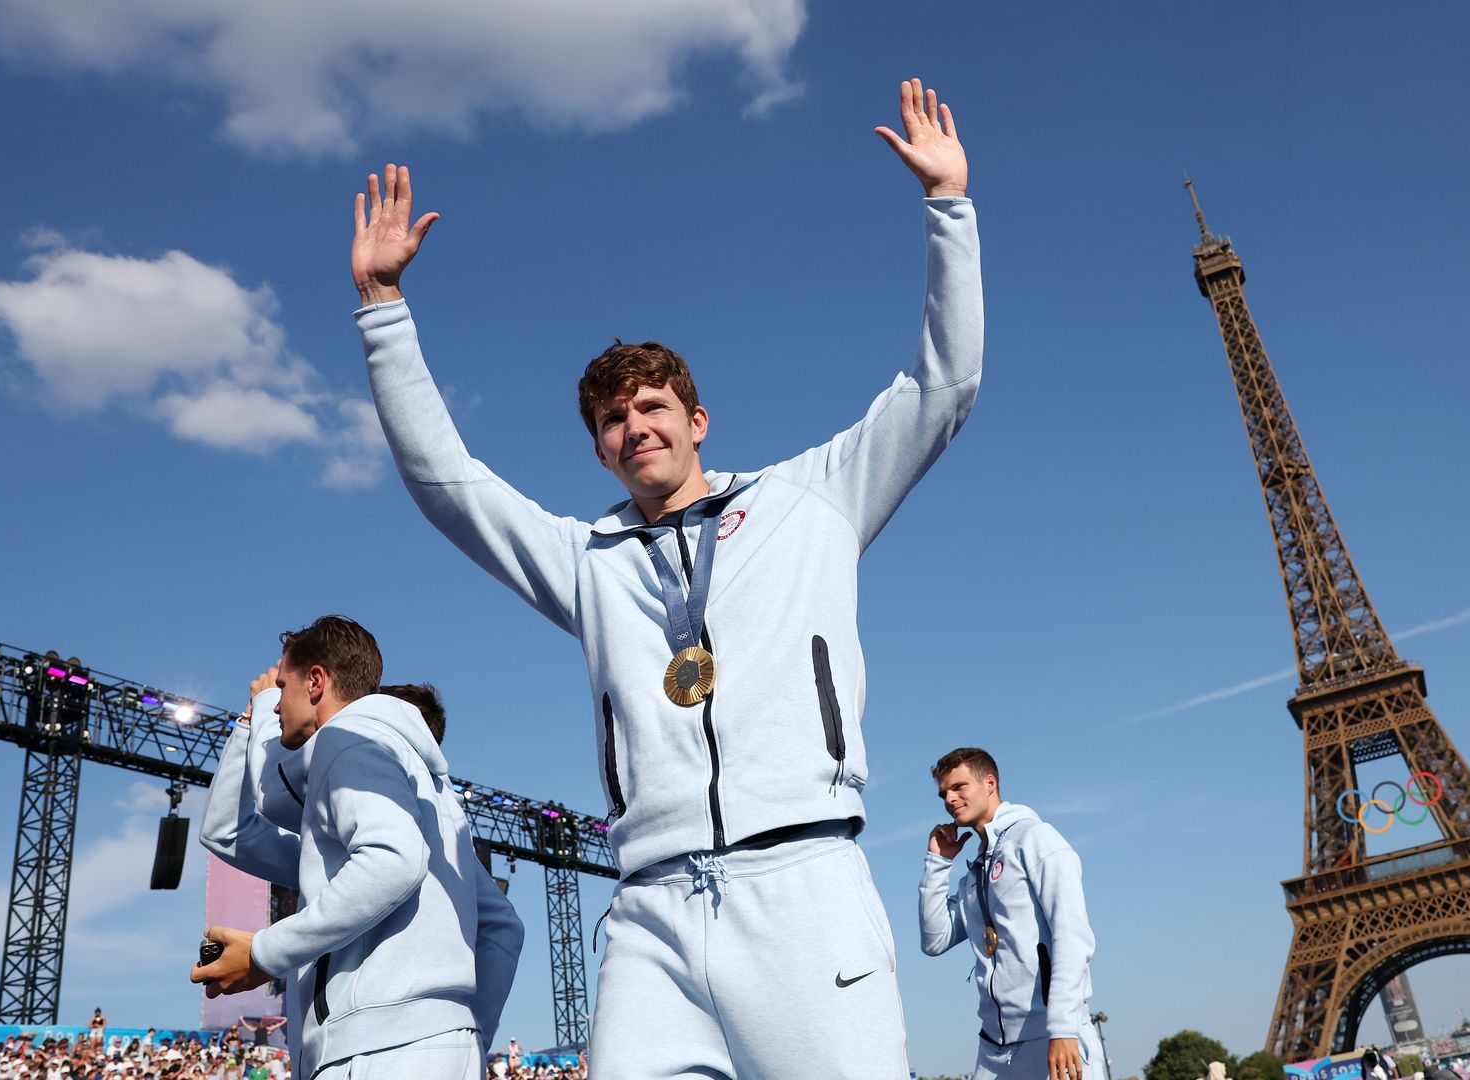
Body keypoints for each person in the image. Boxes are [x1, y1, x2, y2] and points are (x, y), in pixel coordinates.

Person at [348, 77, 979, 1080]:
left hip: (799, 884)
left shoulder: (810, 501)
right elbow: (448, 486)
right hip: (650, 908)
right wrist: (382, 305)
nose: (634, 425)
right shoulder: (584, 561)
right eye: (612, 420)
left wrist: (948, 206)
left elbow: (943, 386)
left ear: (697, 420)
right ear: (600, 450)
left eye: (652, 406)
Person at [191, 616, 523, 1080]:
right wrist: (463, 1032)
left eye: (282, 687)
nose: (277, 702)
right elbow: (230, 832)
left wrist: (266, 952)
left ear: (316, 681)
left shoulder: (350, 740)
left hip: (375, 1050)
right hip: (431, 1047)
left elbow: (391, 861)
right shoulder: (438, 803)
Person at [920, 748, 1100, 1080]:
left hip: (1051, 1037)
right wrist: (937, 864)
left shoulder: (1036, 839)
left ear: (990, 783)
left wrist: (1062, 1028)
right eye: (944, 793)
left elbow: (1071, 936)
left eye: (959, 786)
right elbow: (935, 940)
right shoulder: (974, 873)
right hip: (992, 1049)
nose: (950, 798)